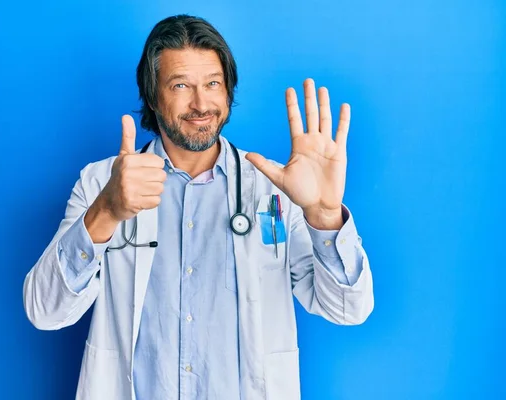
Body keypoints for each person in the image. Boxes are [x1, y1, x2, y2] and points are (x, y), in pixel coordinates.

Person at [23, 14, 374, 400]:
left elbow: (347, 310)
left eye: (212, 84)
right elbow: (45, 311)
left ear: (228, 91)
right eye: (180, 85)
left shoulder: (274, 191)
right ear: (153, 95)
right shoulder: (100, 183)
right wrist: (105, 212)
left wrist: (324, 215)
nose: (200, 102)